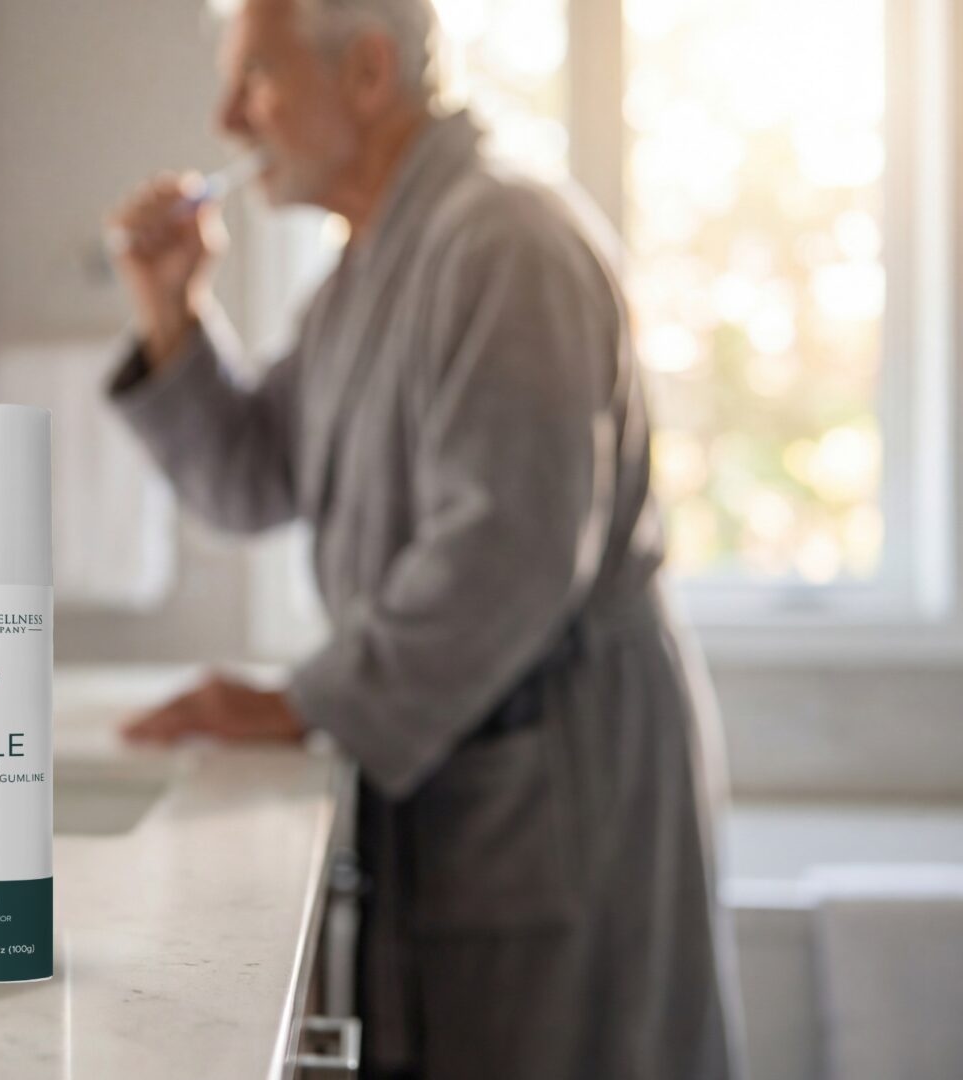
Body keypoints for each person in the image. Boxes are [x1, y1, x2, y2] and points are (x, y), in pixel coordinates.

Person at [104, 0, 741, 1077]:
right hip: (479, 783)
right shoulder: (371, 267)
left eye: (254, 78)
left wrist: (300, 701)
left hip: (557, 791)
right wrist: (172, 311)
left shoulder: (504, 242)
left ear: (363, 72)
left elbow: (512, 552)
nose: (226, 117)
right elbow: (258, 477)